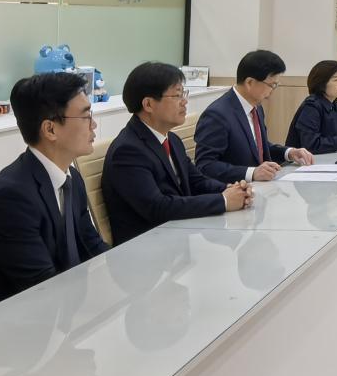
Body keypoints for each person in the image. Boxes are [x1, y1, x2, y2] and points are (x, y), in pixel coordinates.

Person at [0, 73, 109, 319]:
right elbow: (42, 287)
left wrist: (124, 271)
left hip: (51, 311)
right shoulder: (8, 200)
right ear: (50, 129)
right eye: (85, 115)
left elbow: (92, 246)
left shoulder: (71, 179)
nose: (94, 124)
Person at [102, 62, 254, 245]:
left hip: (178, 236)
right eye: (177, 95)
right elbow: (158, 207)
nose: (184, 101)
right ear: (148, 104)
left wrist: (231, 189)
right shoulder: (128, 151)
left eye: (184, 94)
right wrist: (223, 201)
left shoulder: (172, 139)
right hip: (146, 247)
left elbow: (196, 181)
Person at [195, 50, 315, 183]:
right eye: (271, 85)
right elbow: (205, 166)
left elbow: (258, 148)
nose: (273, 90)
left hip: (260, 187)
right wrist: (251, 173)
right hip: (233, 190)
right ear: (250, 82)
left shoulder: (256, 107)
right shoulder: (217, 115)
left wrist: (289, 153)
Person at [285, 60, 337, 154]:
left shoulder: (333, 103)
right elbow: (312, 145)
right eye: (336, 80)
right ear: (321, 83)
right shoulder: (311, 107)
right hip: (301, 161)